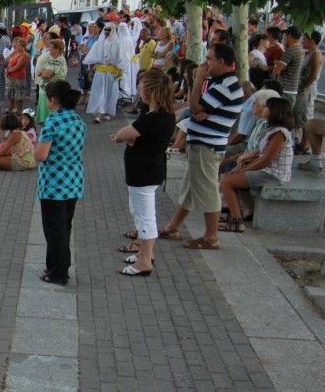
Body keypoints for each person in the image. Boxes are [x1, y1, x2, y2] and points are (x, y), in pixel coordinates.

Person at [159, 43, 245, 249]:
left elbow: (195, 105)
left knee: (207, 191)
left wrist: (198, 79)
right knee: (189, 189)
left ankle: (211, 236)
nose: (205, 64)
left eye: (209, 59)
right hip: (202, 144)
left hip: (208, 146)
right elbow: (195, 108)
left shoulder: (226, 85)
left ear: (221, 61)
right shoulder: (219, 82)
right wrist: (196, 108)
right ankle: (173, 226)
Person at [110, 70, 176, 276]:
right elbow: (130, 135)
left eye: (141, 87)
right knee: (139, 211)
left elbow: (124, 134)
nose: (138, 90)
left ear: (150, 91)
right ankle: (144, 253)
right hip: (146, 170)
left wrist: (126, 137)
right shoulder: (158, 114)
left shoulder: (154, 118)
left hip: (144, 171)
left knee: (145, 215)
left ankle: (145, 259)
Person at [35, 80, 87, 285]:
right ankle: (58, 267)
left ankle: (57, 271)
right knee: (65, 226)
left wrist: (35, 150)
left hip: (54, 182)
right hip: (74, 180)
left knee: (53, 228)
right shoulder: (78, 120)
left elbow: (41, 154)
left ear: (53, 100)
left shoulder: (53, 121)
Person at [219, 97, 295, 233]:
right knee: (231, 175)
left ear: (275, 111)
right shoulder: (270, 129)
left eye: (267, 107)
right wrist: (242, 164)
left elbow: (267, 159)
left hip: (273, 174)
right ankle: (237, 214)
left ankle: (236, 222)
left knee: (226, 180)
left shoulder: (280, 133)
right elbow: (260, 152)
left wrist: (243, 170)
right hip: (267, 170)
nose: (264, 109)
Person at [84, 23, 129, 123]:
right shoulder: (98, 43)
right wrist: (90, 71)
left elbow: (122, 59)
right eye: (106, 30)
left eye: (109, 30)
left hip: (111, 73)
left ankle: (107, 112)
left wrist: (120, 72)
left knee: (110, 93)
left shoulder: (118, 44)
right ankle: (98, 114)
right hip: (100, 72)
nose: (107, 32)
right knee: (99, 93)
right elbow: (92, 58)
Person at [295, 31, 323, 154]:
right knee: (300, 114)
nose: (303, 41)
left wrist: (303, 87)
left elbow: (313, 75)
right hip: (303, 88)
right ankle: (303, 143)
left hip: (307, 89)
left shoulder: (316, 54)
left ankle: (306, 145)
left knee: (305, 116)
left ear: (312, 41)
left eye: (305, 39)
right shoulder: (309, 53)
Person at [34, 39, 68, 124]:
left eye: (52, 48)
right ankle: (43, 119)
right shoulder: (51, 59)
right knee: (43, 102)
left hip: (54, 87)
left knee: (52, 104)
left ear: (58, 49)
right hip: (45, 87)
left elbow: (47, 74)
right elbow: (42, 71)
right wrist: (43, 72)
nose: (49, 49)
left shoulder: (60, 60)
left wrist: (44, 73)